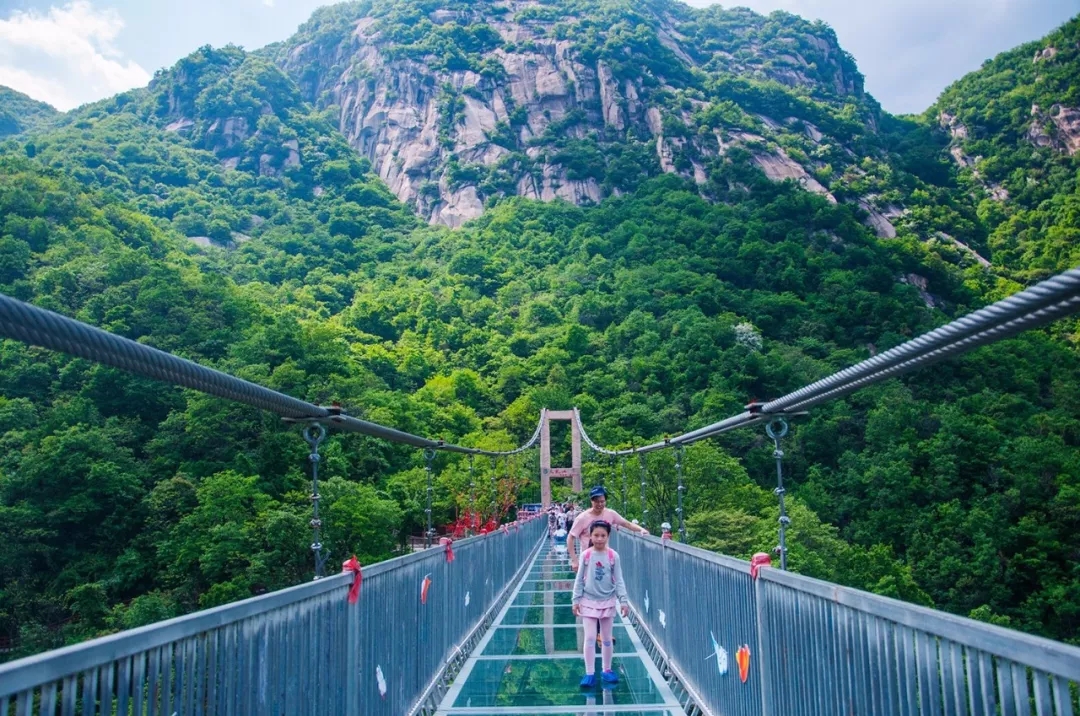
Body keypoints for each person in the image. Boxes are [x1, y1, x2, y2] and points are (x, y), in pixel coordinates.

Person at [572, 520, 628, 687]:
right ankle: (589, 673)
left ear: (608, 536)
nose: (599, 539)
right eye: (596, 535)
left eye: (603, 535)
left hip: (608, 601)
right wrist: (575, 600)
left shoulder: (613, 556)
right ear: (591, 535)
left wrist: (623, 601)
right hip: (588, 600)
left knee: (606, 638)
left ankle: (607, 670)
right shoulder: (586, 555)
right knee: (589, 638)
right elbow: (579, 579)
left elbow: (619, 580)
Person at [568, 486, 648, 571]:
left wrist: (641, 529)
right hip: (587, 561)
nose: (599, 504)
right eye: (596, 501)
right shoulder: (582, 518)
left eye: (602, 501)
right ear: (591, 501)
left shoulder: (610, 514)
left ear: (605, 501)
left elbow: (626, 524)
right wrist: (574, 560)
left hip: (605, 559)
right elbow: (570, 537)